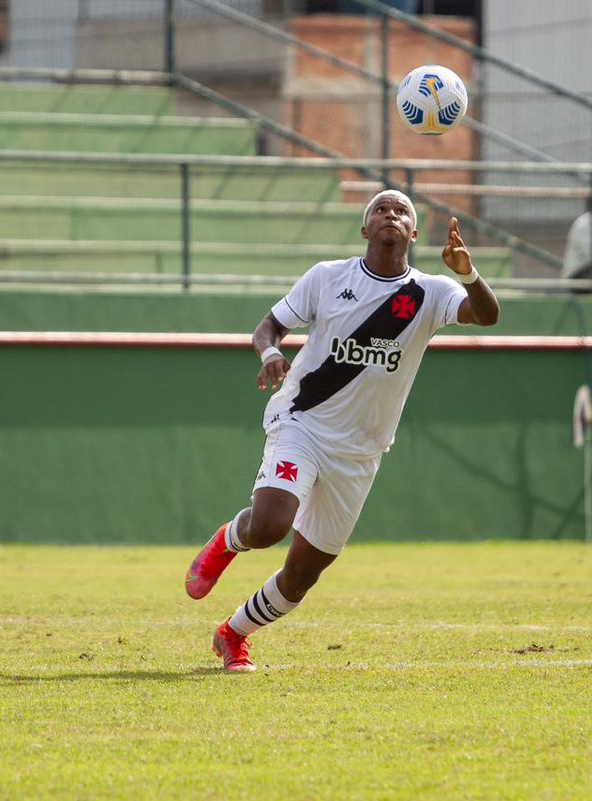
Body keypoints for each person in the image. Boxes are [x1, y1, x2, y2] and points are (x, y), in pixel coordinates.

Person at [184, 189, 500, 671]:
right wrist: (271, 354)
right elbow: (268, 326)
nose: (390, 215)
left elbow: (487, 315)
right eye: (380, 209)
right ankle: (230, 539)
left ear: (414, 234)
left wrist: (468, 274)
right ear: (365, 228)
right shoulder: (328, 277)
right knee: (270, 525)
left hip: (360, 453)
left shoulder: (431, 292)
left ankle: (233, 634)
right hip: (303, 422)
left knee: (301, 577)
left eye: (401, 212)